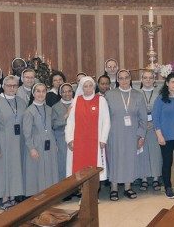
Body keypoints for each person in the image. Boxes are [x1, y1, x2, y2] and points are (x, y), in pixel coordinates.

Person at [0, 75, 27, 210]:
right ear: (3, 87)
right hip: (2, 142)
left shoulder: (21, 102)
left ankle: (13, 196)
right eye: (9, 85)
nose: (12, 88)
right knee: (3, 169)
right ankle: (4, 198)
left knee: (15, 169)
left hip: (18, 142)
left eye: (14, 86)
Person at [105, 69, 147, 201]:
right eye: (121, 78)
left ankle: (128, 187)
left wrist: (141, 135)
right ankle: (114, 188)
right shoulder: (109, 95)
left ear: (130, 79)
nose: (123, 81)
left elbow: (143, 118)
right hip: (114, 134)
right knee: (115, 159)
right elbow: (104, 118)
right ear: (117, 80)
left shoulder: (138, 95)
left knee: (129, 159)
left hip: (132, 134)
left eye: (126, 78)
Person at [66, 76, 110, 184]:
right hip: (79, 142)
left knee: (94, 168)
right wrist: (69, 139)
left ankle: (93, 195)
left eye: (91, 86)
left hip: (95, 142)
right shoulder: (76, 100)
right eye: (85, 86)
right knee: (79, 168)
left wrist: (103, 139)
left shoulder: (101, 100)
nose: (88, 88)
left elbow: (106, 121)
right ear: (81, 88)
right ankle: (82, 194)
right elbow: (70, 121)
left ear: (94, 87)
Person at [23, 83, 59, 196]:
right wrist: (31, 148)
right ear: (33, 93)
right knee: (38, 170)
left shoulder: (49, 109)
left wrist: (55, 143)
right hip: (36, 144)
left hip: (50, 142)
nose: (41, 94)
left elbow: (51, 127)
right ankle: (38, 196)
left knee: (49, 169)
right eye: (38, 91)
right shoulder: (29, 111)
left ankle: (49, 195)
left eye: (43, 91)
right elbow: (26, 133)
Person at [135, 69, 163, 191]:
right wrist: (143, 123)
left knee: (156, 153)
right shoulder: (136, 93)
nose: (147, 80)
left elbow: (162, 111)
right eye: (145, 78)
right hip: (141, 126)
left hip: (155, 127)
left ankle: (156, 178)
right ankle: (144, 178)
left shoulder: (160, 93)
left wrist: (153, 123)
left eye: (150, 78)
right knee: (143, 152)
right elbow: (134, 111)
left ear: (154, 80)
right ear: (141, 79)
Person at [51, 83, 74, 187]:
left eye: (69, 91)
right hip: (61, 138)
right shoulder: (55, 107)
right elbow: (54, 124)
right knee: (63, 163)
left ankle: (77, 187)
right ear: (60, 93)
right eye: (64, 91)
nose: (67, 93)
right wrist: (66, 116)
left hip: (77, 137)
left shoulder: (78, 103)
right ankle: (65, 189)